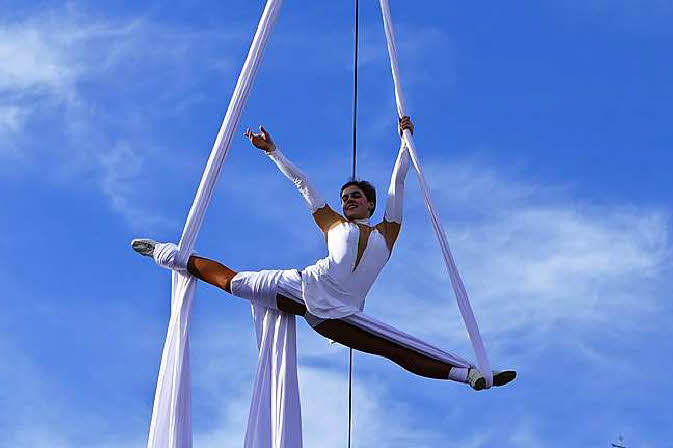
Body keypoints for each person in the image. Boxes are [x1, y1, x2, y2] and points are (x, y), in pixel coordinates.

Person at [132, 116, 514, 391]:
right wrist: (273, 152)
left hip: (342, 312)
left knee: (394, 347)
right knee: (232, 282)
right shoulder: (333, 224)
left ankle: (472, 375)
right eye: (345, 198)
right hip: (303, 285)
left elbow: (398, 182)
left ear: (370, 204)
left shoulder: (388, 232)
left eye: (355, 198)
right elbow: (304, 184)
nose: (348, 201)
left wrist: (405, 143)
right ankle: (166, 254)